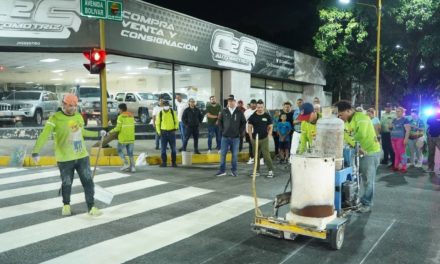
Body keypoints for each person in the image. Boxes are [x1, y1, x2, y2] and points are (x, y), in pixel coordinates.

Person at [31, 94, 105, 216]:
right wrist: (35, 151)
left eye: (75, 105)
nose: (73, 108)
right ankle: (66, 205)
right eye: (71, 105)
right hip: (65, 158)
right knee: (67, 183)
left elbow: (82, 132)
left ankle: (91, 207)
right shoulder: (54, 118)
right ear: (64, 104)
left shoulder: (78, 116)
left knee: (88, 182)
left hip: (81, 156)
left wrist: (98, 134)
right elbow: (44, 135)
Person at [335, 100, 381, 213]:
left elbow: (361, 134)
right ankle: (355, 201)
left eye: (341, 114)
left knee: (368, 180)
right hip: (357, 152)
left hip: (370, 152)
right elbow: (345, 136)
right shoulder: (345, 122)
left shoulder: (362, 118)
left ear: (349, 110)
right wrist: (355, 147)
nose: (339, 117)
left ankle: (367, 203)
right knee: (355, 178)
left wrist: (354, 145)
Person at [215, 95, 246, 177]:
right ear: (227, 103)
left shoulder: (239, 111)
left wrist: (240, 132)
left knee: (235, 155)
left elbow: (243, 122)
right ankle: (222, 170)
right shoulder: (223, 111)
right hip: (225, 137)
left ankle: (234, 170)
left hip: (235, 137)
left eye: (232, 101)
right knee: (223, 154)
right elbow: (220, 121)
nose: (230, 102)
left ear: (234, 102)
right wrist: (222, 131)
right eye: (229, 101)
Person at [248, 100, 275, 178]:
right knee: (256, 156)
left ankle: (270, 171)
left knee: (266, 155)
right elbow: (249, 127)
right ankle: (257, 171)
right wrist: (250, 136)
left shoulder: (267, 116)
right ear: (256, 107)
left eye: (261, 107)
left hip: (264, 138)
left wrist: (269, 135)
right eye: (258, 107)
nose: (259, 109)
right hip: (255, 139)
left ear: (263, 107)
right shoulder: (253, 116)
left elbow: (271, 126)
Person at [110, 103, 135, 172]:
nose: (118, 110)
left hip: (123, 138)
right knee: (130, 153)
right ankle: (133, 167)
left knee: (119, 150)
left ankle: (126, 164)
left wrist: (111, 131)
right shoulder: (131, 116)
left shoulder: (120, 117)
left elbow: (118, 128)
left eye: (118, 109)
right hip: (131, 137)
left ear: (121, 109)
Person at [155, 100, 179, 167]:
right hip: (163, 133)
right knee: (163, 149)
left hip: (171, 132)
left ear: (169, 105)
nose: (166, 106)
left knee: (173, 149)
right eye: (165, 105)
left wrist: (176, 128)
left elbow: (176, 121)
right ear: (163, 106)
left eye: (167, 105)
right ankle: (164, 162)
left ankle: (173, 162)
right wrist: (159, 132)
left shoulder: (172, 112)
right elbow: (157, 124)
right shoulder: (160, 113)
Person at [390, 107, 410, 172]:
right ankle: (396, 166)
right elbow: (391, 128)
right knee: (396, 153)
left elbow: (408, 130)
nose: (397, 113)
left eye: (399, 111)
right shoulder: (394, 120)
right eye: (396, 111)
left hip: (400, 138)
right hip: (393, 138)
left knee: (402, 153)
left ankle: (404, 167)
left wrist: (406, 139)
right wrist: (390, 127)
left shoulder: (405, 120)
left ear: (402, 112)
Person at [426, 108, 440, 173]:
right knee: (431, 152)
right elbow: (428, 122)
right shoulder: (431, 115)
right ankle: (430, 167)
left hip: (439, 137)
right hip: (431, 136)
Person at [245, 99, 258, 164]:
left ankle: (260, 158)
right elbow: (244, 121)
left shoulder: (258, 111)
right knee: (250, 145)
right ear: (250, 104)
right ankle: (251, 158)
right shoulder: (246, 111)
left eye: (254, 103)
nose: (253, 105)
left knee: (258, 145)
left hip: (257, 131)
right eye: (252, 103)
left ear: (256, 104)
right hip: (248, 131)